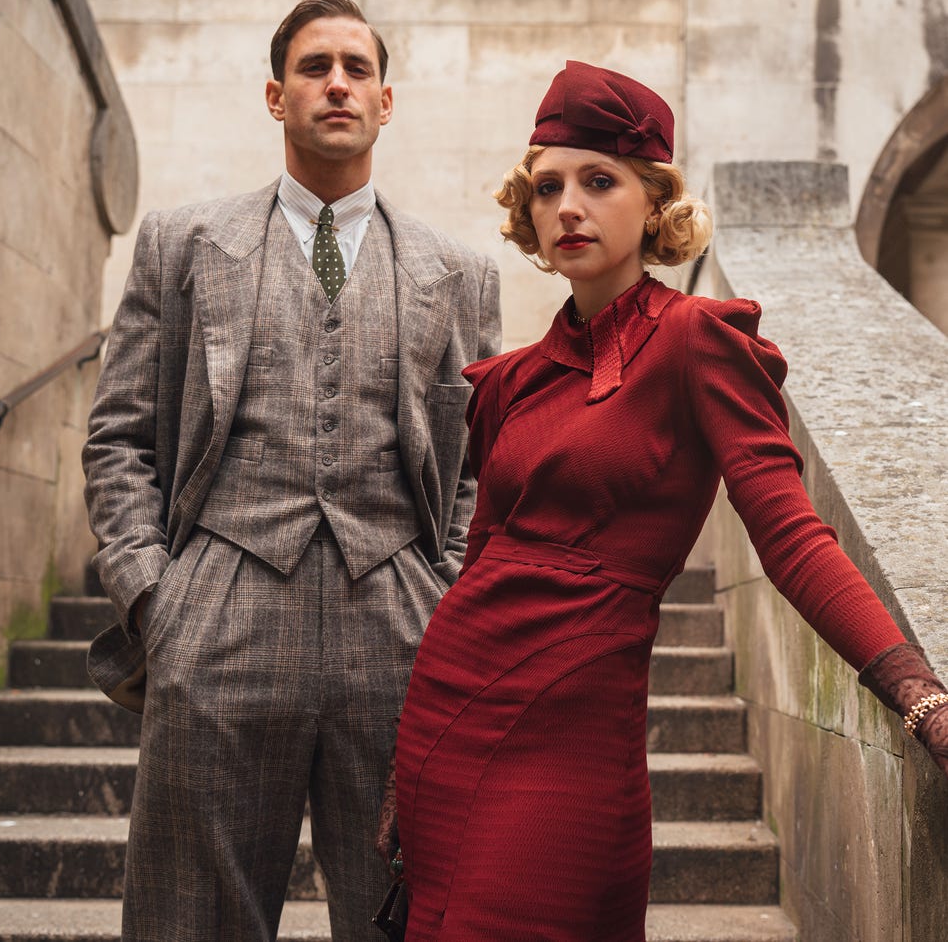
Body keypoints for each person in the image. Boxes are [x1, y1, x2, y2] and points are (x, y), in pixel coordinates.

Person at [380, 61, 948, 942]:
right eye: (547, 187)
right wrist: (402, 772)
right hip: (446, 722)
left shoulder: (695, 343)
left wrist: (916, 692)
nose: (568, 206)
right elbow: (478, 564)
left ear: (654, 206)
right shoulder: (511, 382)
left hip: (573, 748)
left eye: (599, 182)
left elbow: (791, 536)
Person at [82, 0, 500, 942]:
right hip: (218, 602)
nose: (338, 84)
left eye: (358, 69)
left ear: (387, 103)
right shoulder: (183, 244)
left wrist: (448, 594)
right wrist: (156, 596)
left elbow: (477, 464)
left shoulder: (458, 272)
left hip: (398, 612)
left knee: (405, 916)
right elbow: (118, 437)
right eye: (315, 68)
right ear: (277, 96)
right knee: (194, 918)